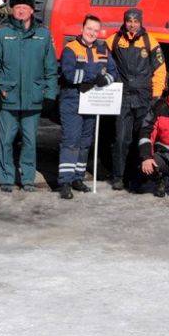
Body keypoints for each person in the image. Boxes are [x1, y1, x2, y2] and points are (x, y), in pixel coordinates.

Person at [0, 0, 58, 193]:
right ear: (12, 9)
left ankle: (27, 178)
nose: (21, 10)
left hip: (33, 99)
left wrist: (50, 95)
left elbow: (51, 69)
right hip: (7, 97)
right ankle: (6, 178)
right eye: (18, 7)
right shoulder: (1, 34)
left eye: (25, 7)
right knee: (6, 140)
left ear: (32, 10)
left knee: (29, 141)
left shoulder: (43, 36)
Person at [56, 15, 118, 199]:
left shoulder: (103, 49)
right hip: (72, 101)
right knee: (71, 141)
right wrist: (94, 75)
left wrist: (104, 80)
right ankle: (65, 182)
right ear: (82, 29)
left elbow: (113, 72)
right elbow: (68, 74)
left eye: (95, 30)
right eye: (89, 29)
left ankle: (77, 177)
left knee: (85, 143)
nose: (92, 33)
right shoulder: (71, 49)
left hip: (92, 102)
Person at [107, 8, 166, 190]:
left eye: (135, 21)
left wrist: (156, 96)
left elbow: (160, 70)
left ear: (141, 22)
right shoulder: (114, 40)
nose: (132, 25)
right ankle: (118, 176)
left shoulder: (150, 42)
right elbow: (104, 61)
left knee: (141, 138)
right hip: (123, 97)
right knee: (121, 139)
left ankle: (137, 178)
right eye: (129, 21)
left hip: (144, 98)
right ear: (124, 22)